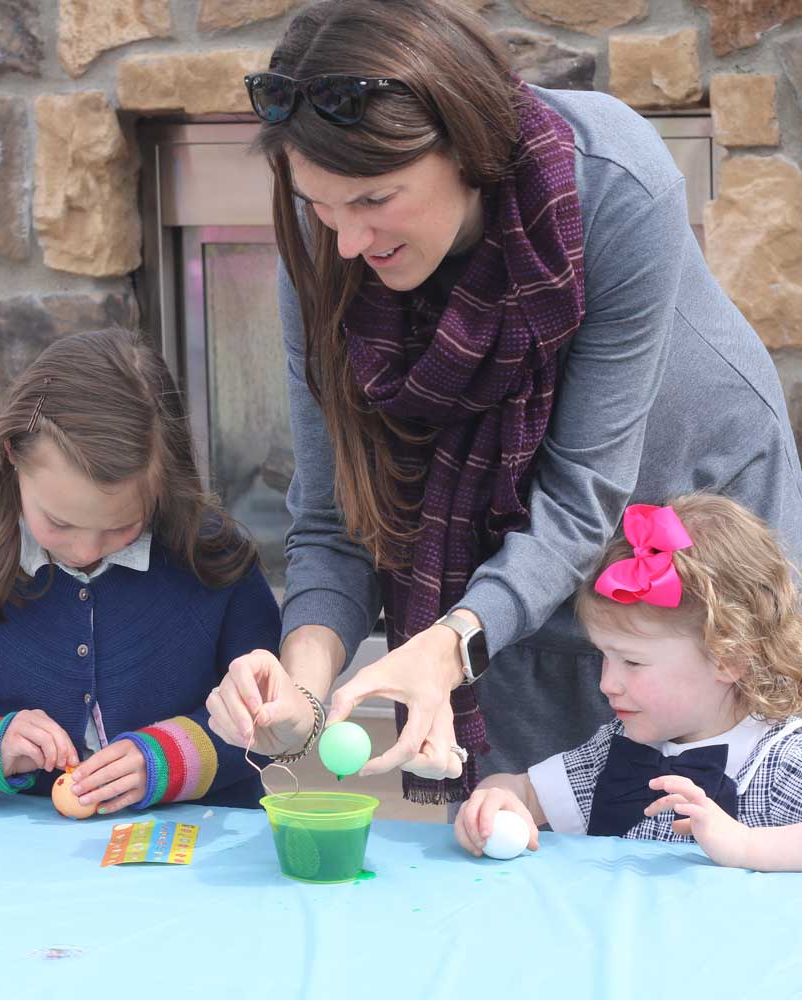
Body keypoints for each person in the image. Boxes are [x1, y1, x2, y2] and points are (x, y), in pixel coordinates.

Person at [206, 0, 802, 808]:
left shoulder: (613, 186)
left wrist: (450, 641)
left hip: (689, 550)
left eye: (375, 200)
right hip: (506, 577)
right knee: (514, 830)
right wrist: (301, 690)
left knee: (701, 834)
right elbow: (334, 515)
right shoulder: (325, 253)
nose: (346, 241)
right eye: (321, 204)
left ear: (468, 150)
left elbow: (581, 493)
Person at [0, 328, 281, 812]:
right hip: (23, 856)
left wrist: (171, 761)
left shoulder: (214, 561)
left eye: (122, 527)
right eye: (59, 522)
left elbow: (269, 719)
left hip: (207, 849)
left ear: (163, 486)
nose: (84, 548)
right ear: (13, 458)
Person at [455, 495, 802, 871]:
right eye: (605, 655)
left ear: (729, 658)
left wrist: (746, 845)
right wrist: (494, 800)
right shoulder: (616, 748)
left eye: (632, 661)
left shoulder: (782, 760)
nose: (607, 683)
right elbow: (522, 789)